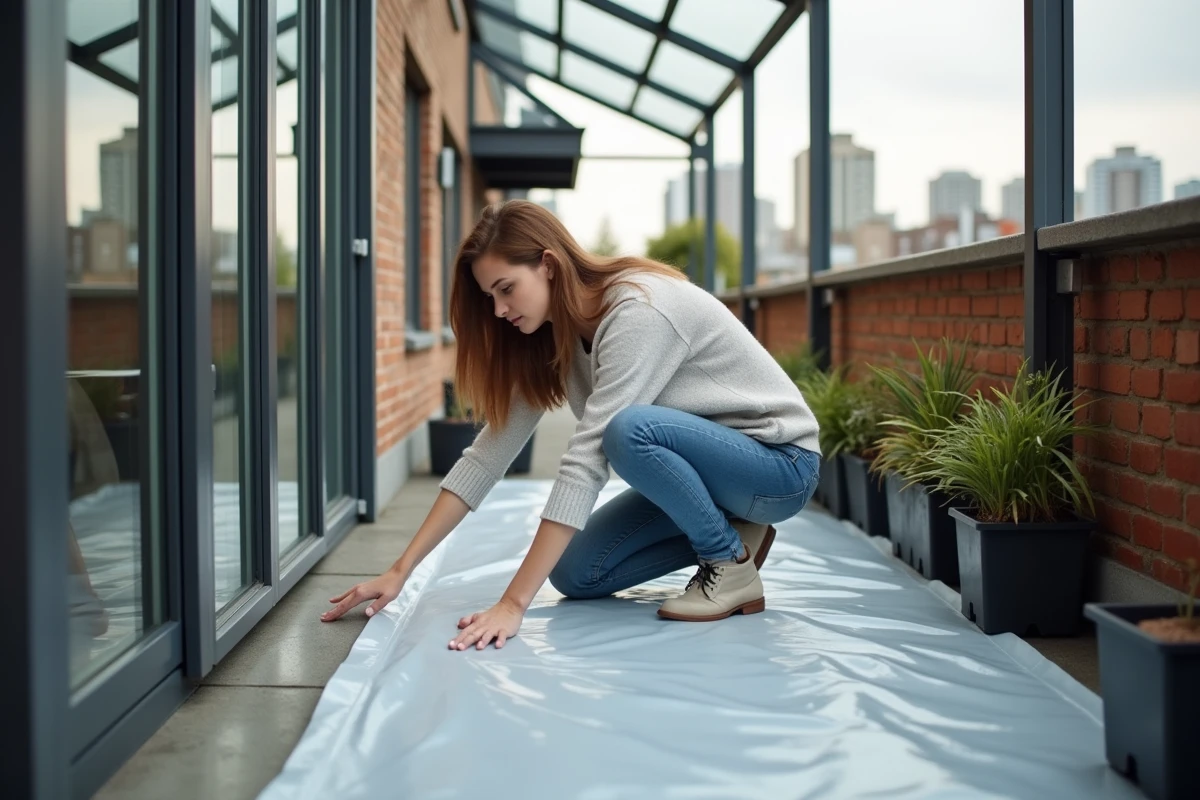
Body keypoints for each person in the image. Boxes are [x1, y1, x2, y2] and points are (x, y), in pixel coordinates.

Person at [321, 200, 821, 650]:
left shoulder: (637, 310)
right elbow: (488, 456)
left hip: (778, 466)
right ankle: (737, 534)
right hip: (712, 475)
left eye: (506, 289)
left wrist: (513, 604)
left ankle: (727, 562)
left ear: (548, 265)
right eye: (490, 296)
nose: (499, 310)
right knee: (577, 572)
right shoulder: (553, 335)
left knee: (628, 431)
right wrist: (401, 570)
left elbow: (587, 462)